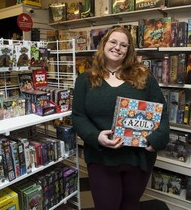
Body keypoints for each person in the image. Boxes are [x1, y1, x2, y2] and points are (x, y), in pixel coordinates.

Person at [72, 27, 170, 210]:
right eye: (113, 42)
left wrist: (156, 140)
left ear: (129, 50)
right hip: (102, 158)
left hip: (137, 159)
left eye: (124, 45)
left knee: (130, 205)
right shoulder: (85, 79)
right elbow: (78, 116)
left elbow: (162, 113)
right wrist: (95, 137)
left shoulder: (144, 77)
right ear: (104, 45)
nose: (118, 47)